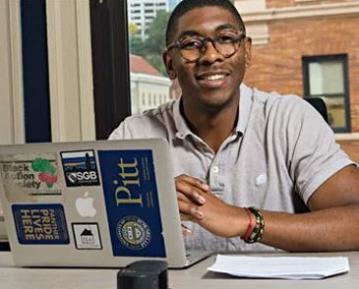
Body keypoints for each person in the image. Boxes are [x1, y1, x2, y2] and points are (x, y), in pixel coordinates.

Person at [110, 0, 359, 252]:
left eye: (226, 39)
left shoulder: (290, 119)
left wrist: (245, 220)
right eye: (190, 45)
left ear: (246, 51)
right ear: (170, 63)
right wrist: (147, 206)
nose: (210, 55)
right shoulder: (134, 136)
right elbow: (92, 234)